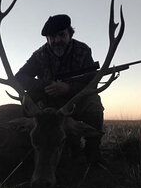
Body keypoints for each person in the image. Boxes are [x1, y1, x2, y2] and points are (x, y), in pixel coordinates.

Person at [15, 14, 104, 163]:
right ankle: (40, 147)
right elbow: (20, 78)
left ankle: (92, 152)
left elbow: (91, 83)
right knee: (30, 107)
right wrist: (47, 85)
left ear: (70, 34)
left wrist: (68, 88)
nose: (57, 40)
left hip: (76, 99)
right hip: (50, 101)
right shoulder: (40, 54)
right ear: (47, 39)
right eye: (52, 37)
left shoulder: (83, 50)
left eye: (62, 35)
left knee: (93, 103)